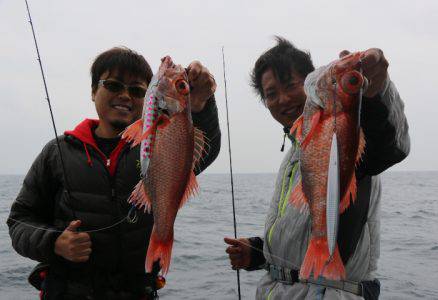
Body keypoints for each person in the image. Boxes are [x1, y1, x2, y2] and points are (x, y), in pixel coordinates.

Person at [7, 47, 221, 300]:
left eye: (136, 90)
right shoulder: (57, 152)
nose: (125, 95)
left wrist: (201, 104)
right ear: (93, 91)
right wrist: (55, 242)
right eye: (113, 85)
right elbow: (19, 221)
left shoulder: (153, 145)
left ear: (147, 97)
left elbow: (206, 147)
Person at [224, 37, 410, 299]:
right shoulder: (294, 153)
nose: (283, 99)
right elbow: (300, 237)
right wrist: (257, 252)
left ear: (311, 82)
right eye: (271, 94)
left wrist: (376, 91)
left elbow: (392, 145)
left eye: (290, 85)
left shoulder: (352, 132)